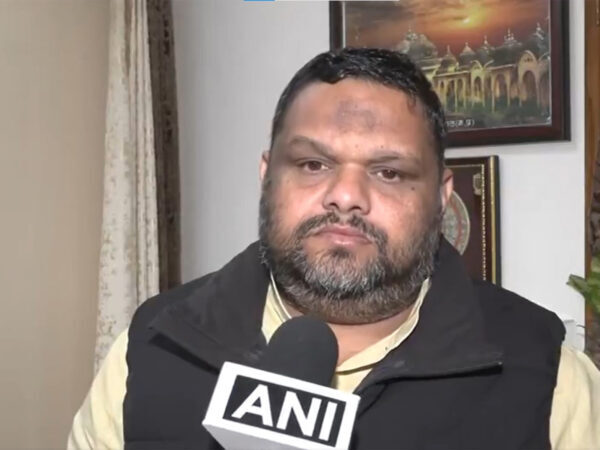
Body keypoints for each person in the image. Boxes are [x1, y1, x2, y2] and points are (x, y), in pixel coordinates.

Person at [68, 48, 600, 450]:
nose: (346, 195)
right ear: (267, 176)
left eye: (388, 172)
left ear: (441, 197)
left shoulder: (550, 377)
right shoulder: (151, 348)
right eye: (313, 164)